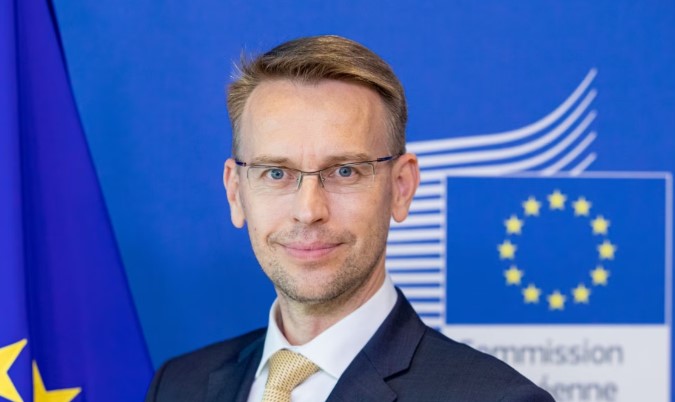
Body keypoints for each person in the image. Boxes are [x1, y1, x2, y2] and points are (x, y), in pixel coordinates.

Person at [145, 35, 553, 402]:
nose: (309, 211)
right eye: (276, 173)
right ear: (236, 192)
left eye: (345, 172)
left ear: (401, 187)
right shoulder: (178, 385)